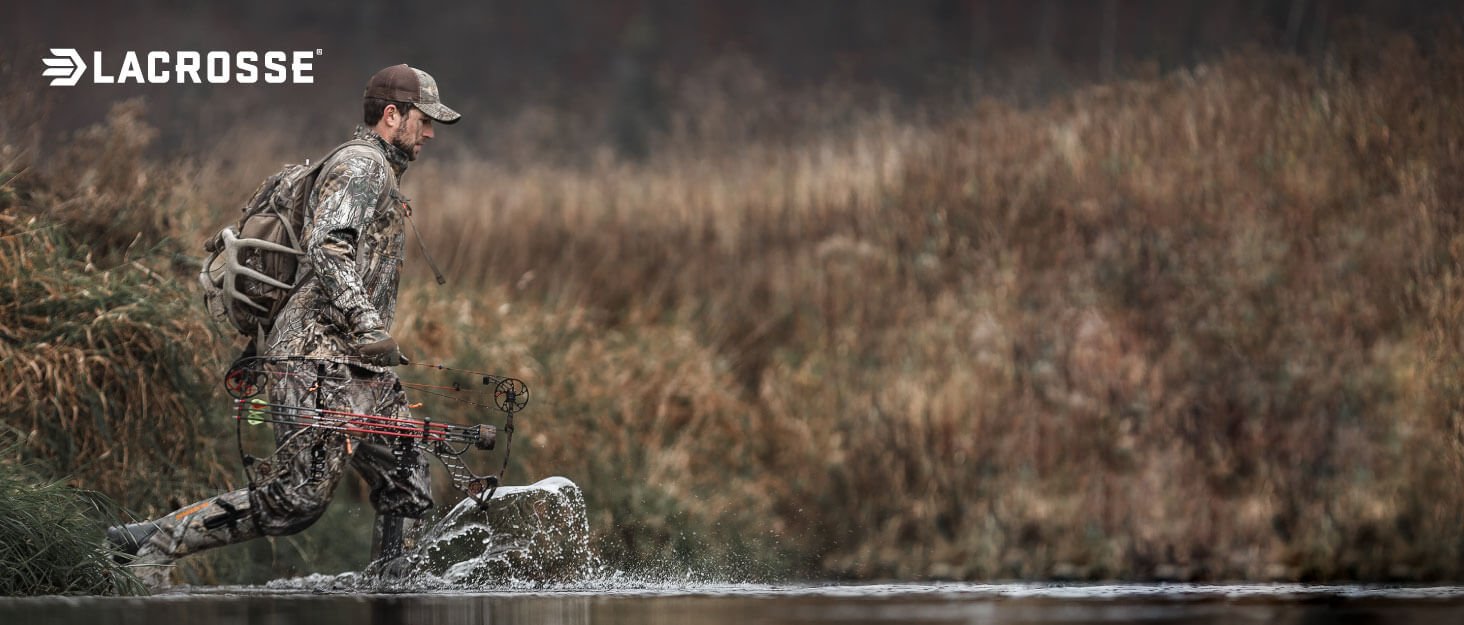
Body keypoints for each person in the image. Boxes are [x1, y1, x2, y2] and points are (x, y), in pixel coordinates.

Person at [107, 64, 461, 585]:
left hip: (358, 365)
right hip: (318, 358)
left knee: (406, 478)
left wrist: (366, 342)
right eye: (423, 120)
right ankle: (151, 543)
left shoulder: (376, 170)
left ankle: (394, 591)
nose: (429, 132)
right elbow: (326, 244)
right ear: (393, 116)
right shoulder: (363, 166)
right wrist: (368, 325)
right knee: (296, 499)